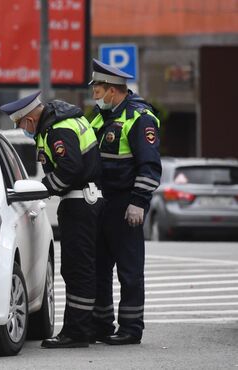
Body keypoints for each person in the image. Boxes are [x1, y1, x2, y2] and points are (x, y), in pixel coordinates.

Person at [0, 92, 103, 348]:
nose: (23, 129)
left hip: (80, 202)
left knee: (77, 269)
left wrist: (43, 188)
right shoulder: (62, 122)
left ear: (30, 118)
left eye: (21, 123)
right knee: (80, 269)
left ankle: (77, 333)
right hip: (82, 201)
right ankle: (83, 328)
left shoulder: (58, 130)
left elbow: (70, 169)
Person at [88, 59, 161, 345]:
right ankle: (102, 323)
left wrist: (139, 202)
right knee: (100, 268)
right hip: (100, 204)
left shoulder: (140, 118)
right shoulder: (98, 116)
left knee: (129, 270)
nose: (95, 95)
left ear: (113, 90)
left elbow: (150, 166)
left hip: (125, 204)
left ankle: (131, 327)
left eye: (98, 90)